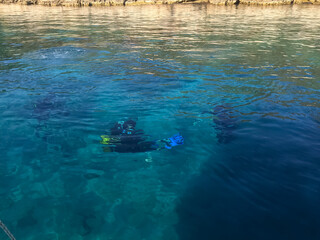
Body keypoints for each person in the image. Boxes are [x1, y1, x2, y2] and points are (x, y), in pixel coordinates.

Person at [100, 119, 184, 153]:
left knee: (136, 144)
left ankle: (102, 145)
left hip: (133, 145)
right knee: (136, 144)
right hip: (133, 145)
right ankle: (164, 143)